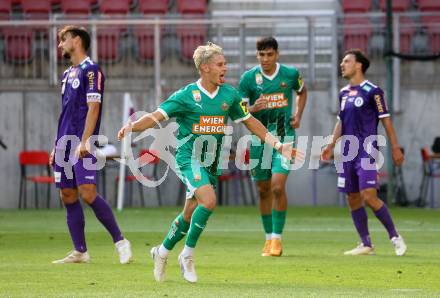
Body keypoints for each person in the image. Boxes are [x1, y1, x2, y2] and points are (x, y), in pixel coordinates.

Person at [117, 42, 300, 283]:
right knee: (210, 200)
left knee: (188, 215)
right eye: (220, 64)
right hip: (187, 158)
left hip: (212, 161)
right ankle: (187, 256)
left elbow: (251, 122)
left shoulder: (231, 95)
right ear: (205, 68)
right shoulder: (185, 96)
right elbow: (155, 117)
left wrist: (278, 145)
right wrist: (133, 126)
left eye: (225, 63)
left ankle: (161, 252)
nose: (226, 67)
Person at [50, 26, 132, 264]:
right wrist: (56, 146)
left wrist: (86, 140)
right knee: (67, 194)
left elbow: (93, 107)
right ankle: (80, 251)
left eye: (63, 40)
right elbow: (64, 113)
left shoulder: (91, 70)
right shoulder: (67, 74)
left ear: (76, 40)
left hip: (82, 141)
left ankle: (120, 241)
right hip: (64, 143)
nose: (60, 45)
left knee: (88, 192)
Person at [321, 49, 407, 256]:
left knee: (368, 196)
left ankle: (395, 237)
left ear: (358, 65)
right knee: (352, 198)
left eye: (346, 61)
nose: (342, 64)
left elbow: (386, 120)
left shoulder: (373, 91)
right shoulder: (343, 93)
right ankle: (366, 243)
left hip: (367, 150)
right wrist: (331, 144)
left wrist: (395, 147)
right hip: (347, 152)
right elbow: (341, 121)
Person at [238, 37, 307, 257]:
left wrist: (298, 114)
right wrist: (252, 107)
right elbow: (240, 111)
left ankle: (277, 239)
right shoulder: (248, 79)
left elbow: (303, 91)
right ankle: (268, 238)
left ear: (277, 54)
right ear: (257, 55)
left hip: (284, 136)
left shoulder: (291, 74)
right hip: (259, 140)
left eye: (269, 54)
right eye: (262, 54)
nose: (265, 58)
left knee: (278, 186)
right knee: (263, 189)